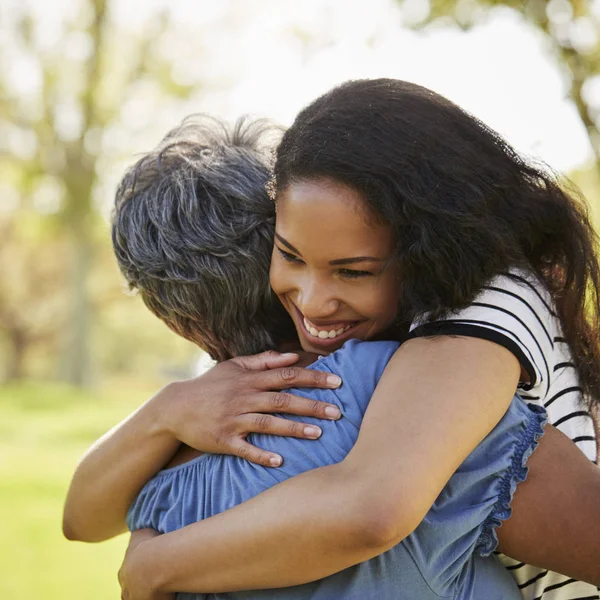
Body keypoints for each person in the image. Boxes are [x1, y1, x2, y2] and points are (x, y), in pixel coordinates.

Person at [106, 81, 600, 600]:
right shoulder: (273, 399)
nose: (316, 302)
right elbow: (83, 516)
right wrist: (167, 410)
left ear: (426, 243)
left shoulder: (472, 320)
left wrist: (151, 567)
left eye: (353, 271)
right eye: (291, 255)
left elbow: (372, 509)